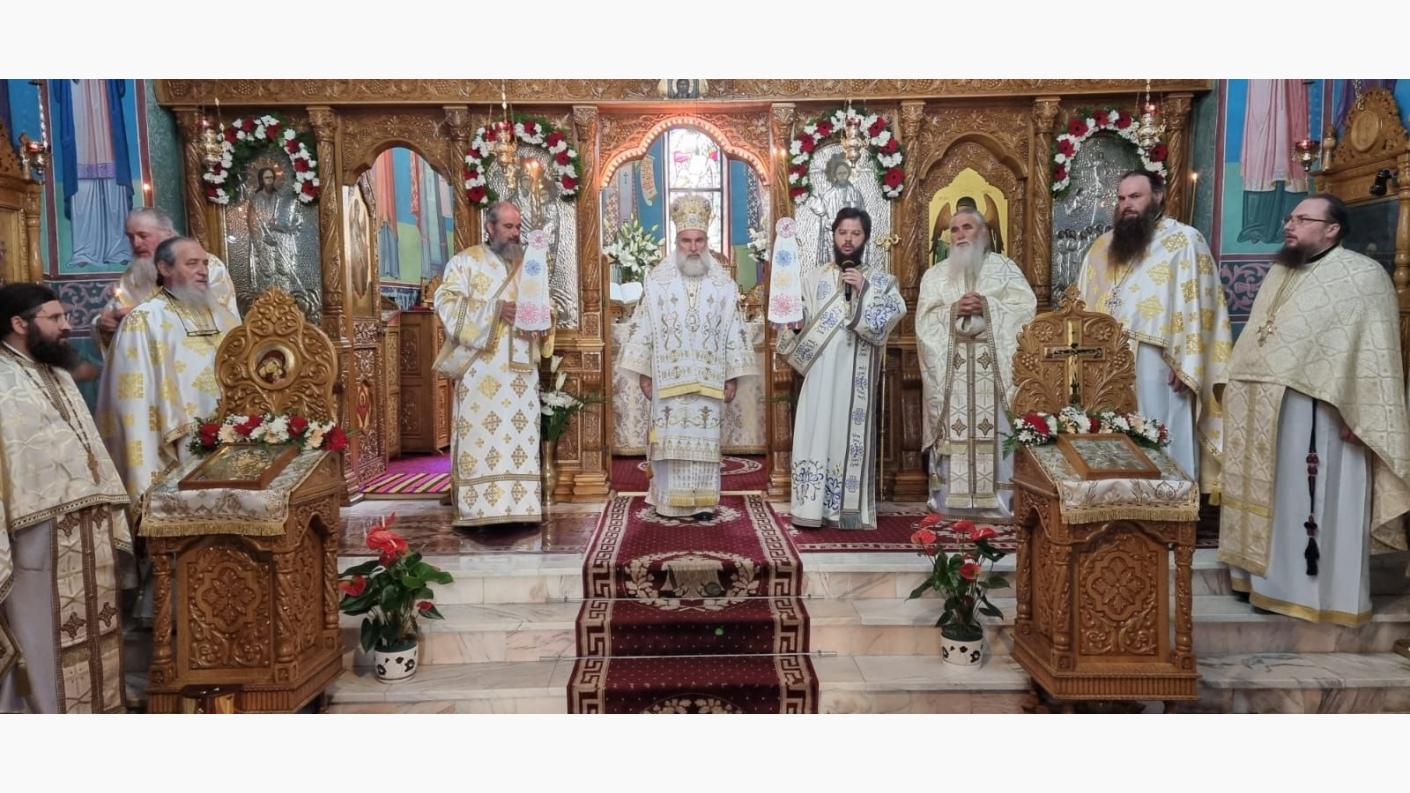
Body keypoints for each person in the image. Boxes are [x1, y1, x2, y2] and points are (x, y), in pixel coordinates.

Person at [1219, 194, 1410, 625]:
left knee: (1311, 503)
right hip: (1265, 411)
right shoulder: (1281, 271)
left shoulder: (1362, 275)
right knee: (1273, 500)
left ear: (1332, 229)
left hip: (1323, 416)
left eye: (1303, 219)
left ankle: (1311, 594)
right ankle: (1263, 583)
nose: (1290, 224)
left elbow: (1374, 356)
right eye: (1290, 217)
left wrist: (1361, 414)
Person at [0, 282, 132, 712]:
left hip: (87, 531)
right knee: (42, 640)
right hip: (34, 539)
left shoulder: (56, 370)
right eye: (55, 318)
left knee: (95, 636)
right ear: (20, 324)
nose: (66, 326)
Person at [1077, 170, 1232, 493]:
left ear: (1158, 197)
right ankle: (1115, 499)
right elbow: (1082, 301)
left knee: (1160, 430)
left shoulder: (1184, 241)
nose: (1126, 205)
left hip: (1159, 360)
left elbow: (1201, 303)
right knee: (1110, 433)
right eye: (1121, 198)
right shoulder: (1102, 246)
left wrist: (1189, 363)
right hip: (1106, 360)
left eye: (1135, 196)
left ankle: (1170, 501)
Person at [619, 195, 756, 518]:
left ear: (706, 241)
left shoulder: (723, 283)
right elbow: (644, 326)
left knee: (704, 441)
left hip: (710, 379)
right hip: (667, 380)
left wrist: (732, 377)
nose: (693, 247)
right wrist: (644, 373)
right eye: (686, 241)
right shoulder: (658, 280)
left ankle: (704, 503)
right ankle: (668, 502)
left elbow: (734, 329)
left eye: (699, 240)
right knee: (671, 444)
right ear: (676, 240)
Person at [778, 207, 906, 529]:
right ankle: (810, 507)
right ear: (833, 235)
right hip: (819, 376)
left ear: (866, 238)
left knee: (842, 437)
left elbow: (890, 316)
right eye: (842, 233)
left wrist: (865, 290)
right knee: (816, 433)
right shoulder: (813, 278)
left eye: (855, 233)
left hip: (855, 377)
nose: (848, 240)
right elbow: (795, 325)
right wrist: (795, 324)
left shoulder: (880, 281)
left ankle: (844, 509)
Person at [434, 202, 554, 527]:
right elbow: (445, 303)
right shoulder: (466, 262)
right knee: (481, 439)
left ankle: (520, 509)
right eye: (508, 227)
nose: (515, 234)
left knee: (518, 440)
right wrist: (495, 310)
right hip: (481, 371)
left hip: (521, 372)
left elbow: (544, 306)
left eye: (518, 227)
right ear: (490, 227)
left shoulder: (529, 265)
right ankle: (480, 512)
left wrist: (544, 321)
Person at [97, 236, 240, 503]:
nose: (203, 271)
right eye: (192, 263)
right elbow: (132, 401)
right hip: (174, 442)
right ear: (164, 268)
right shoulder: (144, 320)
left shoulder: (224, 317)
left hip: (230, 439)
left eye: (205, 264)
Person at [916, 207, 1036, 517]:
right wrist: (953, 311)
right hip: (952, 371)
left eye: (967, 227)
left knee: (996, 434)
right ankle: (948, 501)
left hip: (994, 373)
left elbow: (1026, 310)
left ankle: (1002, 502)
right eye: (954, 229)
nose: (960, 235)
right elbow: (924, 323)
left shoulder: (1005, 269)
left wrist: (988, 306)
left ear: (983, 232)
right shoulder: (935, 275)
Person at [92, 207, 239, 358]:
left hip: (198, 359)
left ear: (167, 234)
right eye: (130, 237)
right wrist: (104, 323)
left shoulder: (207, 266)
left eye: (143, 236)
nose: (136, 243)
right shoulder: (132, 277)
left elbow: (221, 317)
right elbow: (111, 312)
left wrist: (141, 316)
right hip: (152, 361)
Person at [248, 166, 305, 296]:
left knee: (284, 269)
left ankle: (286, 299)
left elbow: (292, 219)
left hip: (281, 239)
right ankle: (267, 299)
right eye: (266, 178)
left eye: (272, 177)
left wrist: (281, 227)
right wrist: (264, 237)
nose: (269, 180)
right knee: (268, 270)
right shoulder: (256, 199)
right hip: (264, 242)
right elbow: (253, 223)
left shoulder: (279, 197)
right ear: (261, 180)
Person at [810, 153, 866, 268]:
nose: (842, 176)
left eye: (844, 173)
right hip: (833, 235)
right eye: (839, 173)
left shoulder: (855, 194)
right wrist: (814, 198)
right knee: (834, 266)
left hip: (853, 235)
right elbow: (821, 211)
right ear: (835, 175)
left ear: (849, 174)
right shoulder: (829, 195)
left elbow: (862, 214)